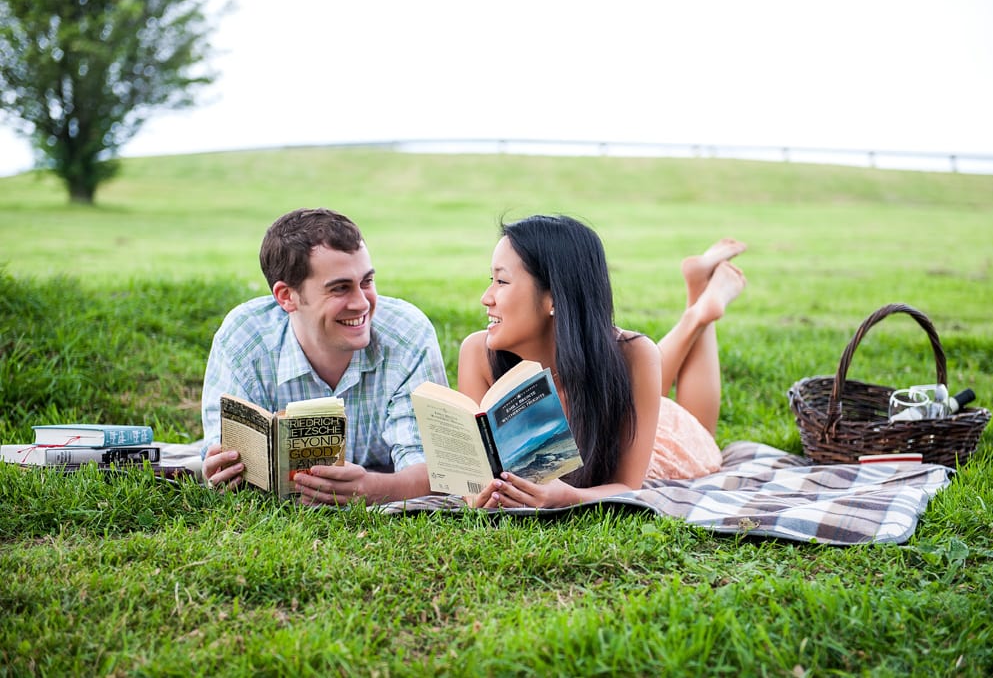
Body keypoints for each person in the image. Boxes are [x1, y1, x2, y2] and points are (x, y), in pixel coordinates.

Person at [457, 214, 746, 509]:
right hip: (628, 393)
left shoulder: (635, 354)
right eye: (490, 280)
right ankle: (699, 298)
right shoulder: (478, 353)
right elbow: (474, 477)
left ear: (555, 297)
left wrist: (567, 498)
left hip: (659, 440)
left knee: (701, 429)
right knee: (633, 362)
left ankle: (699, 314)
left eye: (502, 281)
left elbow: (628, 486)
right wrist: (476, 494)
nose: (486, 297)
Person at [200, 207, 448, 506]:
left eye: (366, 282)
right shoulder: (245, 338)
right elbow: (220, 455)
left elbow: (433, 472)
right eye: (340, 288)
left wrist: (373, 489)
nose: (361, 303)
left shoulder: (408, 334)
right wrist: (222, 469)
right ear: (286, 296)